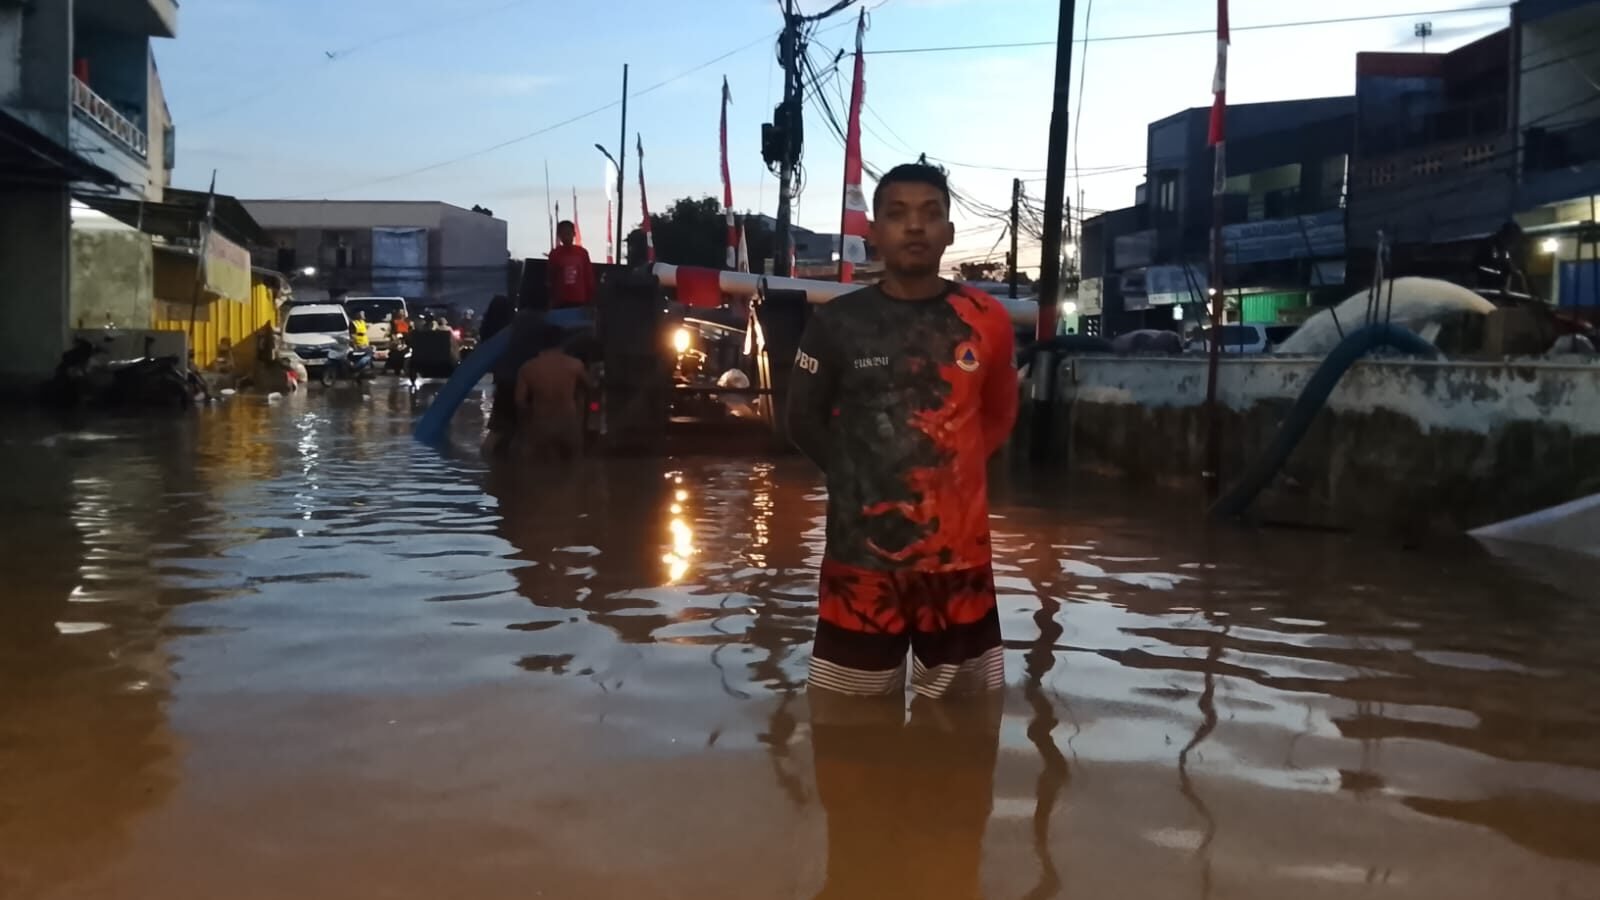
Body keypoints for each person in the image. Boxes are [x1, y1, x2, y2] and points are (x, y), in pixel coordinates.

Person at [787, 162, 1019, 702]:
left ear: (949, 233)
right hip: (860, 564)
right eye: (897, 214)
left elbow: (1000, 414)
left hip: (958, 564)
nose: (914, 227)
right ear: (873, 234)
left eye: (930, 214)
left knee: (965, 727)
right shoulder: (836, 323)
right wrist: (860, 477)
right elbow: (801, 421)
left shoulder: (986, 318)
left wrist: (949, 476)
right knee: (848, 725)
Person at [513, 324, 594, 462]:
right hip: (568, 423)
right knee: (575, 469)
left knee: (535, 471)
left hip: (541, 424)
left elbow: (519, 401)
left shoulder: (528, 368)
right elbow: (591, 387)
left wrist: (526, 424)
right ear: (563, 342)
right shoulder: (575, 364)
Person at [547, 220, 597, 311]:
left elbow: (589, 276)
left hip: (579, 299)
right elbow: (551, 277)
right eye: (564, 233)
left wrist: (590, 299)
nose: (566, 236)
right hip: (560, 300)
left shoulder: (582, 253)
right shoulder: (554, 254)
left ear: (574, 234)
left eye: (568, 233)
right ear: (559, 235)